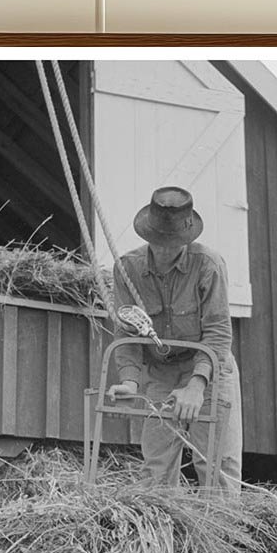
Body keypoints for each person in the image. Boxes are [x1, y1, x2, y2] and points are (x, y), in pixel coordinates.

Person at [107, 186, 243, 496]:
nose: (167, 249)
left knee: (217, 467)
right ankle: (163, 539)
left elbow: (219, 332)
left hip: (209, 369)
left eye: (175, 243)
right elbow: (127, 330)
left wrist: (197, 386)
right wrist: (129, 382)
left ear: (188, 237)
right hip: (161, 372)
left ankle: (220, 537)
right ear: (148, 235)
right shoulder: (127, 269)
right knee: (156, 467)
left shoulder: (209, 265)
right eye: (160, 242)